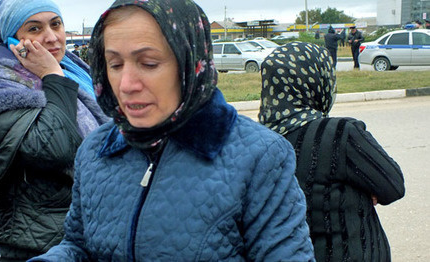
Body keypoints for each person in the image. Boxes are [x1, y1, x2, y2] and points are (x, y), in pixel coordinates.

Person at [29, 0, 315, 261]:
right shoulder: (95, 150)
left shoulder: (260, 157)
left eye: (149, 63)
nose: (126, 84)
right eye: (114, 64)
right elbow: (79, 246)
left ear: (190, 64)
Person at [0, 0, 109, 261]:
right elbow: (56, 147)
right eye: (34, 29)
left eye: (56, 24)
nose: (51, 37)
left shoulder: (76, 72)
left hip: (86, 237)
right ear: (13, 40)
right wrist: (52, 76)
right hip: (34, 247)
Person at [259, 42, 405, 262]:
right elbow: (393, 185)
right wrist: (366, 188)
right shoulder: (339, 134)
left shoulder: (257, 142)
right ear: (317, 81)